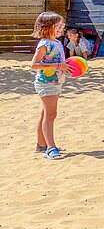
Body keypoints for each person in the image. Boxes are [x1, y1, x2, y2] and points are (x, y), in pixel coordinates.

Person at [31, 11, 70, 160]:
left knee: (44, 114)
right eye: (57, 26)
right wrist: (59, 66)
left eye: (62, 25)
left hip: (55, 82)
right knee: (51, 115)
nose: (61, 28)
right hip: (46, 83)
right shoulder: (44, 44)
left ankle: (42, 145)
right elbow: (34, 65)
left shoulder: (57, 42)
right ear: (47, 27)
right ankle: (51, 148)